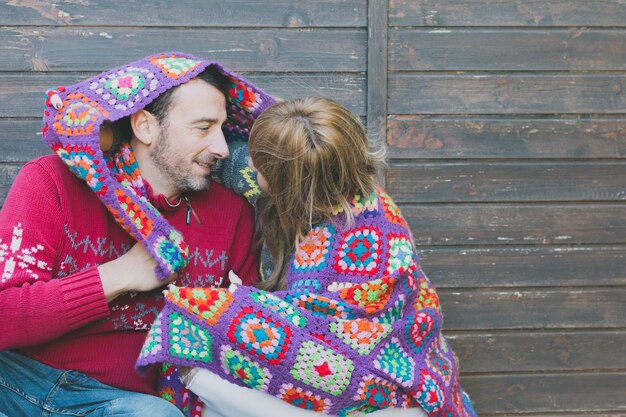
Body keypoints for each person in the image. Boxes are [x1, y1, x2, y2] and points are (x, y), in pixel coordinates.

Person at [136, 97, 477, 417]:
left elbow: (316, 334)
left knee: (187, 335)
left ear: (284, 184)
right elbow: (228, 163)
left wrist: (234, 302)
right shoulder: (338, 184)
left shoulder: (348, 237)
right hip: (400, 375)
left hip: (384, 387)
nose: (248, 163)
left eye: (259, 165)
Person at [0, 52, 275, 416]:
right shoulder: (52, 182)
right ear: (145, 126)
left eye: (222, 129)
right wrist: (121, 274)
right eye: (203, 127)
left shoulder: (231, 213)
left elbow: (248, 340)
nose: (222, 148)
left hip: (125, 404)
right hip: (19, 382)